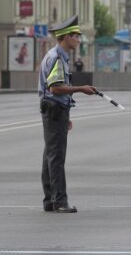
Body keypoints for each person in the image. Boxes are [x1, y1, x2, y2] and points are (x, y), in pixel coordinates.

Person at [38, 15, 97, 213]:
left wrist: (67, 116)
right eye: (76, 36)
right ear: (65, 37)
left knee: (50, 156)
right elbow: (55, 88)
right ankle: (60, 202)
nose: (78, 40)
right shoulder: (57, 58)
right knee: (56, 157)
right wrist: (81, 89)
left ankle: (49, 200)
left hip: (54, 110)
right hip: (54, 110)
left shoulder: (55, 55)